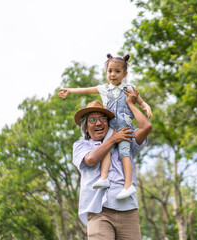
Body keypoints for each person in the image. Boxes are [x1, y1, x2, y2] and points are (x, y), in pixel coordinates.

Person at [59, 54, 152, 199]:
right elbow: (86, 90)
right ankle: (104, 177)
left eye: (117, 71)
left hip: (124, 126)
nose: (113, 75)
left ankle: (128, 185)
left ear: (125, 74)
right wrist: (70, 91)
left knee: (124, 154)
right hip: (112, 128)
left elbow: (142, 107)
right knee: (107, 150)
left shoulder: (129, 89)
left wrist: (142, 106)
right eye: (110, 71)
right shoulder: (104, 89)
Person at [72, 94, 151, 239]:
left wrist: (131, 104)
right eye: (92, 120)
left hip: (128, 211)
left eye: (103, 118)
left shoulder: (124, 141)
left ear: (109, 122)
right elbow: (90, 159)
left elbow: (146, 127)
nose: (98, 123)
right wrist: (113, 139)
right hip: (98, 211)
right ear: (86, 127)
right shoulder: (82, 145)